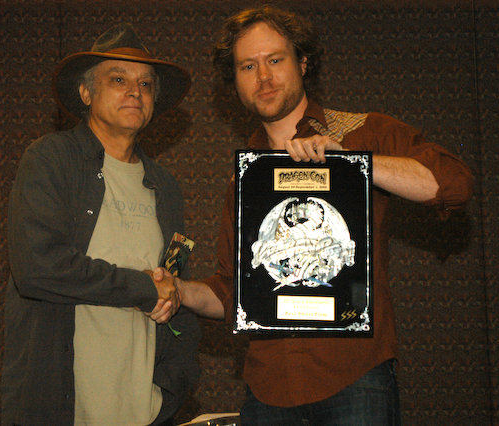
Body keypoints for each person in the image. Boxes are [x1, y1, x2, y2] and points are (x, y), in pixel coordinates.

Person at [155, 6, 474, 425]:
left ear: (302, 63)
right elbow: (231, 291)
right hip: (268, 390)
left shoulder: (360, 131)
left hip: (356, 380)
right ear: (234, 81)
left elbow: (453, 183)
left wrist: (354, 164)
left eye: (275, 60)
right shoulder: (246, 177)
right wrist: (178, 290)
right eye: (248, 66)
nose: (263, 77)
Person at [1, 23, 200, 426]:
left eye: (145, 84)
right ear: (86, 93)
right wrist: (144, 287)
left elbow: (174, 286)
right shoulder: (50, 159)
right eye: (118, 79)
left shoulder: (166, 185)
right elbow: (38, 268)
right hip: (61, 406)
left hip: (144, 409)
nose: (134, 91)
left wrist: (173, 388)